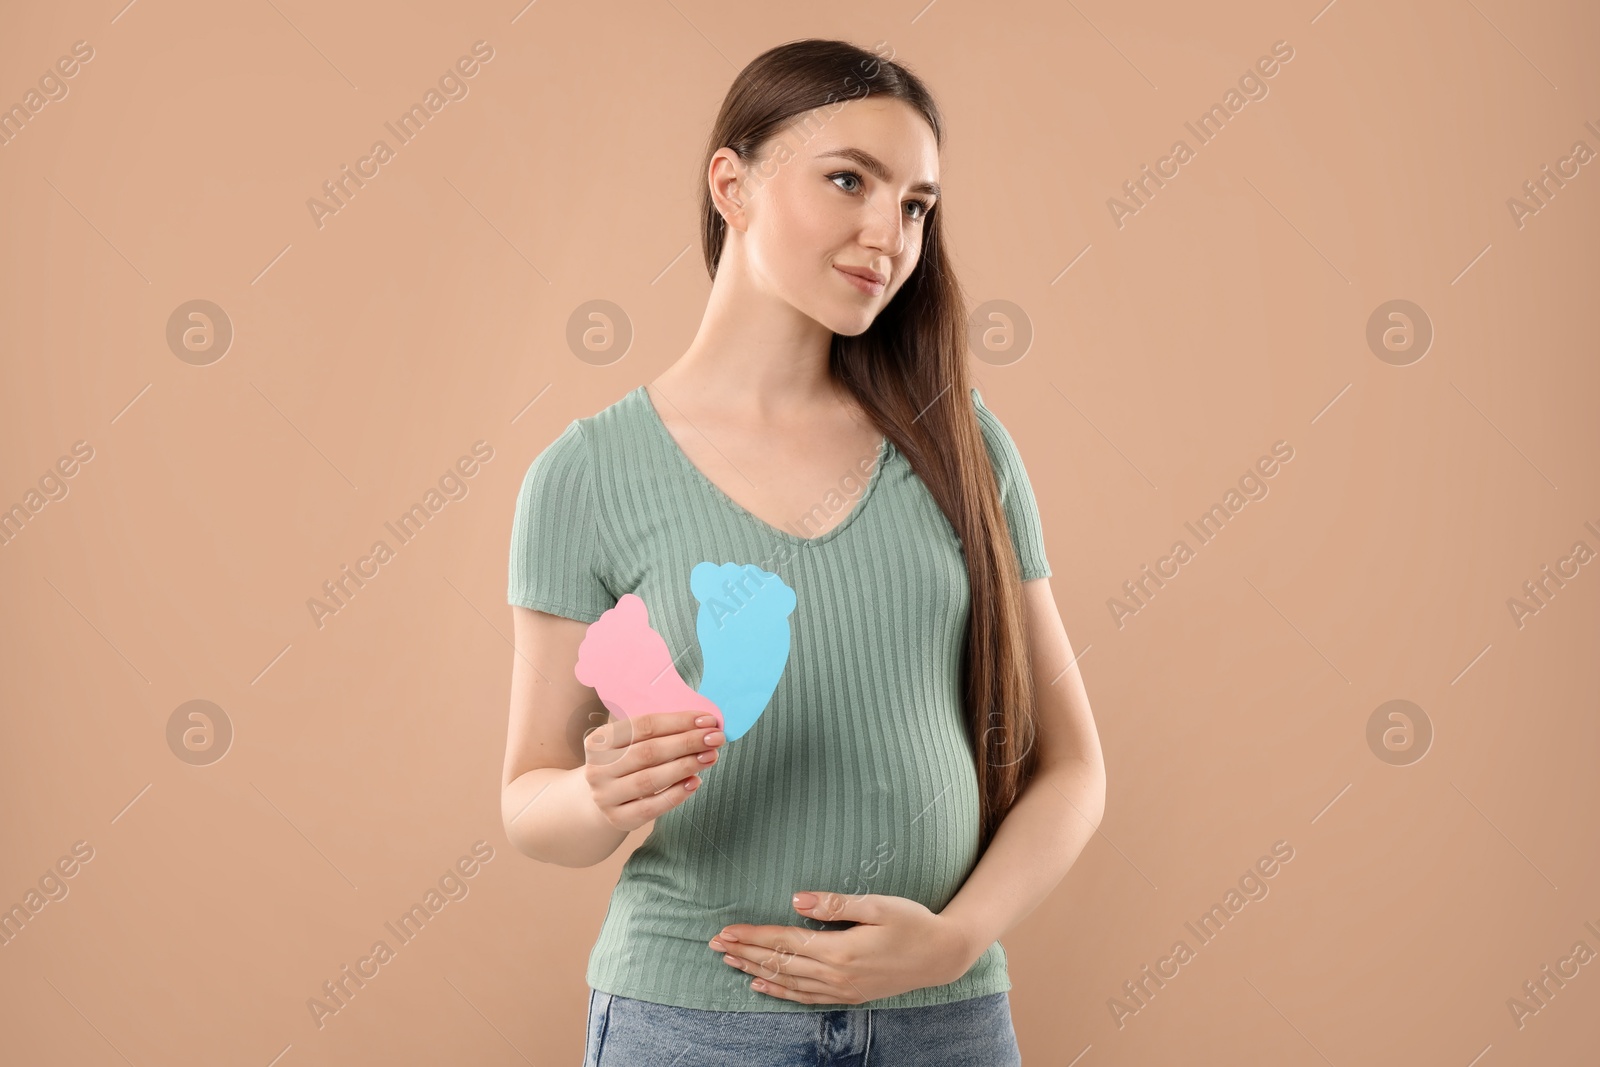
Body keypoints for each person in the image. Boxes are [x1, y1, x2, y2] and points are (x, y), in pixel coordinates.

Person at [501, 37, 1105, 1066]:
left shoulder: (962, 442)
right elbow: (530, 799)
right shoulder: (587, 474)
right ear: (730, 184)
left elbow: (1073, 767)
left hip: (944, 1022)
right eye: (847, 181)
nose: (889, 232)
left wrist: (953, 941)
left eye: (915, 204)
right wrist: (596, 793)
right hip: (693, 1024)